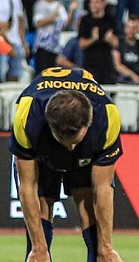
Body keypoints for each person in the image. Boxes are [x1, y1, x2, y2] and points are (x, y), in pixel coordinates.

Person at [9, 68, 125, 262]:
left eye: (75, 140)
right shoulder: (27, 117)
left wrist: (107, 248)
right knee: (39, 234)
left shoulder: (107, 117)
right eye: (64, 141)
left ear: (87, 123)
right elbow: (27, 186)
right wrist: (38, 247)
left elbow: (103, 189)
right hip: (44, 151)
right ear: (50, 125)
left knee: (92, 222)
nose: (70, 148)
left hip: (87, 151)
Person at [32, 0, 80, 74]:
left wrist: (71, 10)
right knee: (42, 75)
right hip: (42, 47)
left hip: (55, 48)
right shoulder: (40, 5)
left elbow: (66, 23)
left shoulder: (59, 6)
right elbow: (38, 23)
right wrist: (53, 17)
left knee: (53, 76)